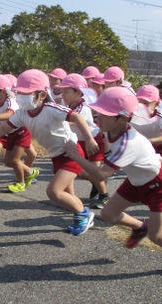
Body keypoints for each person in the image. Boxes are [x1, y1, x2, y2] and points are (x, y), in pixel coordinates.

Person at [63, 86, 162, 278]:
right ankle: (140, 227)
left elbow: (102, 175)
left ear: (123, 118)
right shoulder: (110, 129)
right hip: (136, 180)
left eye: (104, 114)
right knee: (108, 213)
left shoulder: (129, 143)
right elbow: (96, 137)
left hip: (158, 184)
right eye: (98, 113)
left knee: (157, 236)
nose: (98, 117)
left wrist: (75, 156)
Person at [0, 69, 99, 234]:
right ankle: (79, 217)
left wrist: (90, 139)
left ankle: (85, 214)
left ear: (42, 95)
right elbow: (5, 127)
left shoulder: (51, 109)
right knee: (68, 194)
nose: (21, 96)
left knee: (53, 191)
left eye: (27, 93)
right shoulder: (22, 113)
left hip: (70, 153)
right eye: (19, 92)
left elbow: (76, 117)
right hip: (56, 156)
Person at [0, 74, 39, 192]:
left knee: (17, 159)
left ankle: (20, 183)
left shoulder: (11, 101)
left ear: (2, 92)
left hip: (20, 131)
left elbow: (10, 114)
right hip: (6, 131)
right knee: (9, 161)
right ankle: (30, 172)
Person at [57, 73, 109, 209]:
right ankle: (72, 197)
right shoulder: (68, 105)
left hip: (93, 141)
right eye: (62, 91)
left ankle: (104, 195)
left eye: (66, 92)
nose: (62, 95)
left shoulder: (83, 108)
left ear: (78, 92)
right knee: (75, 170)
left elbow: (71, 122)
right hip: (79, 142)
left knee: (92, 172)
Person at [132, 85, 162, 170]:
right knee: (142, 174)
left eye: (146, 103)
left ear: (156, 104)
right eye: (139, 102)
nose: (142, 106)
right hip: (141, 147)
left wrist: (149, 141)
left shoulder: (160, 116)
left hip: (160, 145)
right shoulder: (132, 114)